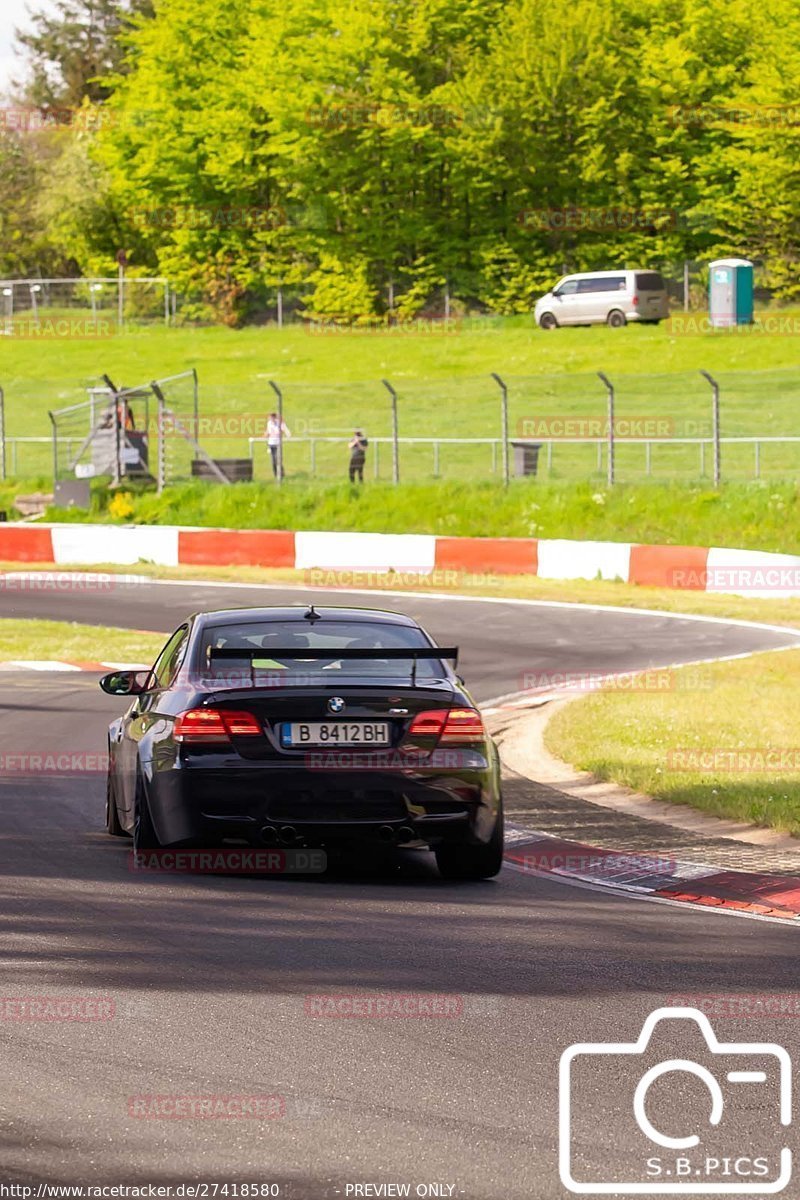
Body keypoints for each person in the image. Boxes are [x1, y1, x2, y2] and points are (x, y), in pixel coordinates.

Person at [265, 411, 291, 477]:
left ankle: (281, 475)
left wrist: (288, 435)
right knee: (273, 461)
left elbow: (286, 431)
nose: (271, 418)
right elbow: (268, 433)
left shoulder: (279, 423)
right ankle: (276, 475)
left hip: (278, 444)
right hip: (271, 444)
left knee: (278, 459)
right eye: (270, 417)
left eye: (273, 417)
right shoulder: (269, 423)